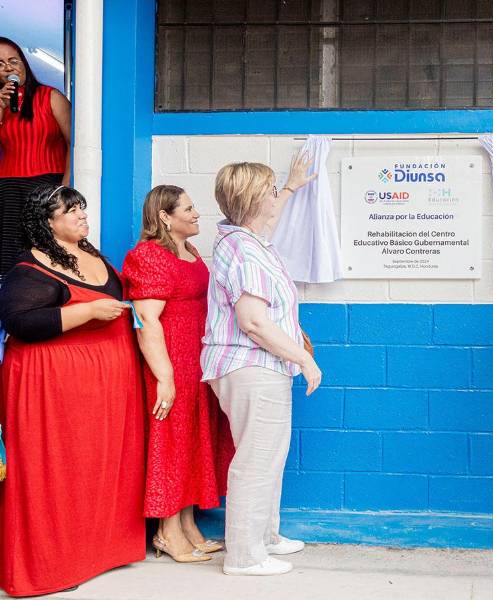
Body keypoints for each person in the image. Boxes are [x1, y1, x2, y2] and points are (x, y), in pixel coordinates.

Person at [0, 185, 144, 596]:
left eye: (82, 207)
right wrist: (86, 312)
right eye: (71, 210)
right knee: (55, 470)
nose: (82, 215)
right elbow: (19, 322)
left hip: (105, 385)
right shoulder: (28, 269)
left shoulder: (95, 256)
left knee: (96, 468)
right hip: (51, 386)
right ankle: (50, 565)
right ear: (47, 222)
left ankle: (100, 552)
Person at [201, 156, 321, 576]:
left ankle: (265, 536)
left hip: (255, 367)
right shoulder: (246, 251)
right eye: (271, 191)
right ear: (255, 198)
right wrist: (303, 358)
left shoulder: (245, 240)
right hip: (251, 366)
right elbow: (252, 321)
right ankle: (245, 556)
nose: (275, 198)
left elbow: (267, 216)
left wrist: (289, 187)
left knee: (269, 455)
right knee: (257, 459)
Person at [123, 185, 234, 564]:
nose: (196, 213)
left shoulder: (190, 251)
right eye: (187, 208)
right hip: (170, 360)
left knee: (192, 439)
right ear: (164, 217)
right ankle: (167, 532)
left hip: (196, 360)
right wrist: (165, 377)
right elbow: (146, 320)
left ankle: (187, 524)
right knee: (171, 440)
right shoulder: (147, 256)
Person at [0, 38, 72, 277]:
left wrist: (65, 186)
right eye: (0, 64)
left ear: (24, 63)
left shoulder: (50, 96)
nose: (8, 68)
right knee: (9, 252)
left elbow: (74, 143)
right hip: (8, 188)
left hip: (47, 184)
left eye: (13, 61)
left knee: (45, 247)